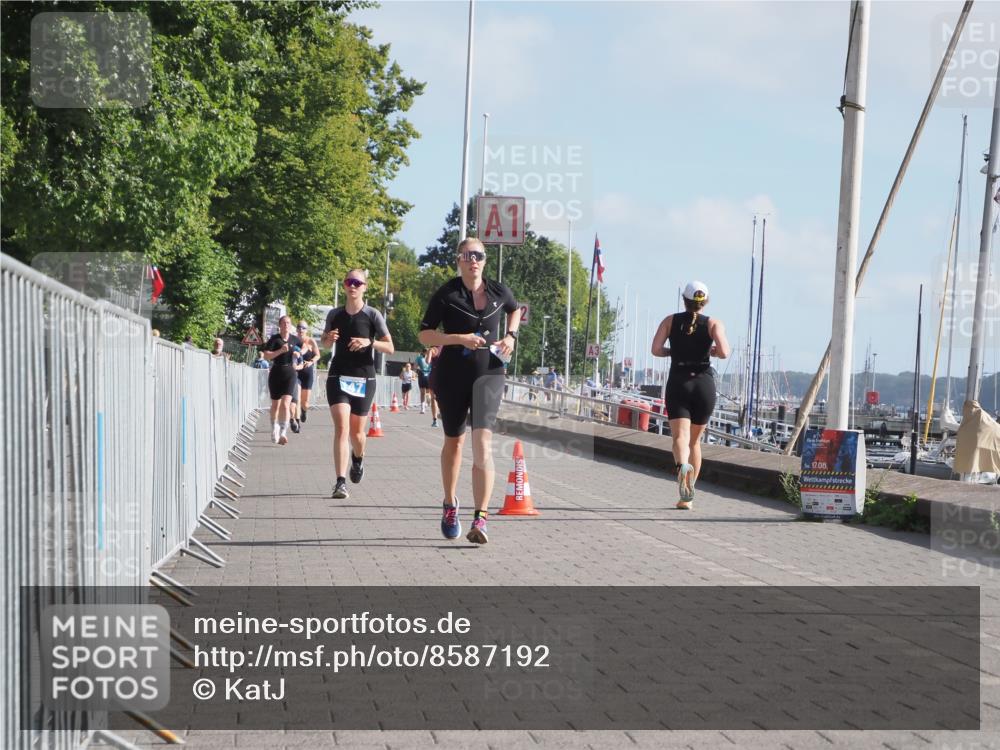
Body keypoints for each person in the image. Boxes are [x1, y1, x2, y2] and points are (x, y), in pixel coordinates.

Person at [418, 237, 521, 544]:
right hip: (452, 374)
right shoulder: (447, 294)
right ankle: (450, 504)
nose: (473, 260)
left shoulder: (498, 291)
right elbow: (425, 335)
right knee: (455, 442)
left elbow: (515, 309)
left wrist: (511, 336)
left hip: (490, 373)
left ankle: (481, 518)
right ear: (458, 261)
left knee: (482, 445)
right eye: (467, 255)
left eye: (478, 255)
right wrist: (458, 338)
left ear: (485, 260)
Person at [650, 280, 730, 509]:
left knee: (680, 438)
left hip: (679, 381)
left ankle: (682, 468)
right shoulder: (713, 323)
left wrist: (672, 351)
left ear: (684, 300)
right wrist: (712, 351)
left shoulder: (670, 321)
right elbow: (724, 352)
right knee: (695, 442)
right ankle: (688, 495)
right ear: (706, 302)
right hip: (703, 384)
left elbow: (656, 349)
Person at [321, 269, 394, 500]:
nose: (352, 286)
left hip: (363, 377)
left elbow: (390, 347)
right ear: (344, 285)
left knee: (358, 434)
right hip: (338, 376)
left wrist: (369, 342)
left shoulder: (372, 315)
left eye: (357, 283)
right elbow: (325, 344)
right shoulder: (334, 314)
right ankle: (340, 482)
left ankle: (358, 459)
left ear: (364, 287)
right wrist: (327, 339)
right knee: (342, 428)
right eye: (348, 282)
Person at [262, 315, 302, 446]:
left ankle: (284, 432)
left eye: (288, 323)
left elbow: (304, 348)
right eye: (284, 323)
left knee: (286, 404)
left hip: (290, 373)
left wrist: (299, 354)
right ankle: (275, 428)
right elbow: (266, 355)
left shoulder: (295, 339)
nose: (286, 325)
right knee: (275, 405)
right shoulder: (274, 339)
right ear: (279, 325)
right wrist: (280, 351)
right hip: (276, 373)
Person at [295, 322, 321, 424]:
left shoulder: (311, 341)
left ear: (306, 330)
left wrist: (311, 362)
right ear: (296, 329)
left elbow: (318, 355)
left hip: (307, 373)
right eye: (299, 327)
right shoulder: (293, 340)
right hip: (296, 372)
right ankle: (296, 421)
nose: (301, 329)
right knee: (297, 398)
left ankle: (304, 411)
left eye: (303, 328)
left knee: (305, 402)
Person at [415, 348, 435, 418]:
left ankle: (425, 405)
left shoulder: (419, 358)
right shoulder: (420, 358)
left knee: (425, 392)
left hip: (426, 375)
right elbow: (415, 366)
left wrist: (416, 369)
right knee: (424, 392)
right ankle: (423, 407)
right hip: (425, 375)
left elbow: (415, 367)